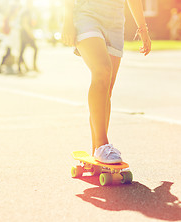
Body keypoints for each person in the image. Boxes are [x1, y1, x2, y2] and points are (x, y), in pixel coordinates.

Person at [62, 0, 151, 164]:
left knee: (106, 90)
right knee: (102, 71)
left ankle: (97, 149)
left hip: (116, 22)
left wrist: (142, 28)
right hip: (87, 15)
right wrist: (67, 19)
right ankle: (103, 145)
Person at [18, 0, 38, 74]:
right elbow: (25, 24)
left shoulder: (28, 11)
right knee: (35, 49)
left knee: (22, 51)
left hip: (24, 33)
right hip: (25, 33)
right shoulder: (26, 12)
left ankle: (20, 68)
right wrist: (31, 34)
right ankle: (33, 66)